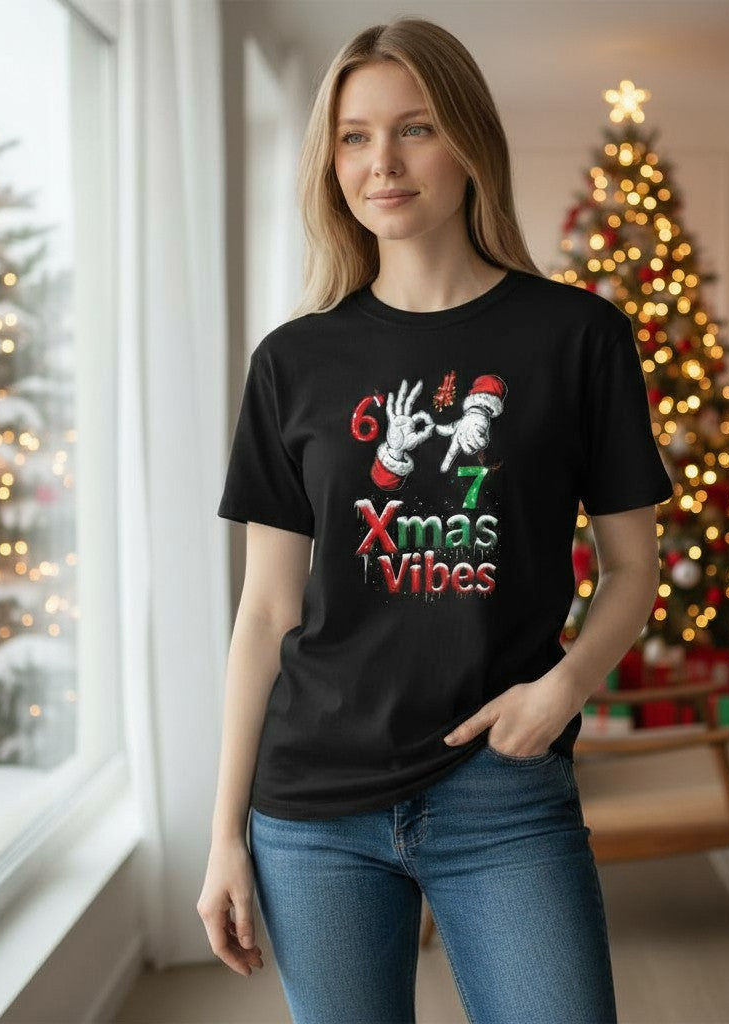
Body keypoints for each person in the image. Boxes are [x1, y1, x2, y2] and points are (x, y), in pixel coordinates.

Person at [197, 15, 674, 1024]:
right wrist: (222, 833)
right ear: (330, 162)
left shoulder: (577, 336)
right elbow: (266, 612)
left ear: (468, 141)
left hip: (498, 788)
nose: (383, 163)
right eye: (354, 136)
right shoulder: (292, 363)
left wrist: (560, 689)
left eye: (413, 129)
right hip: (312, 805)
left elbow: (632, 564)